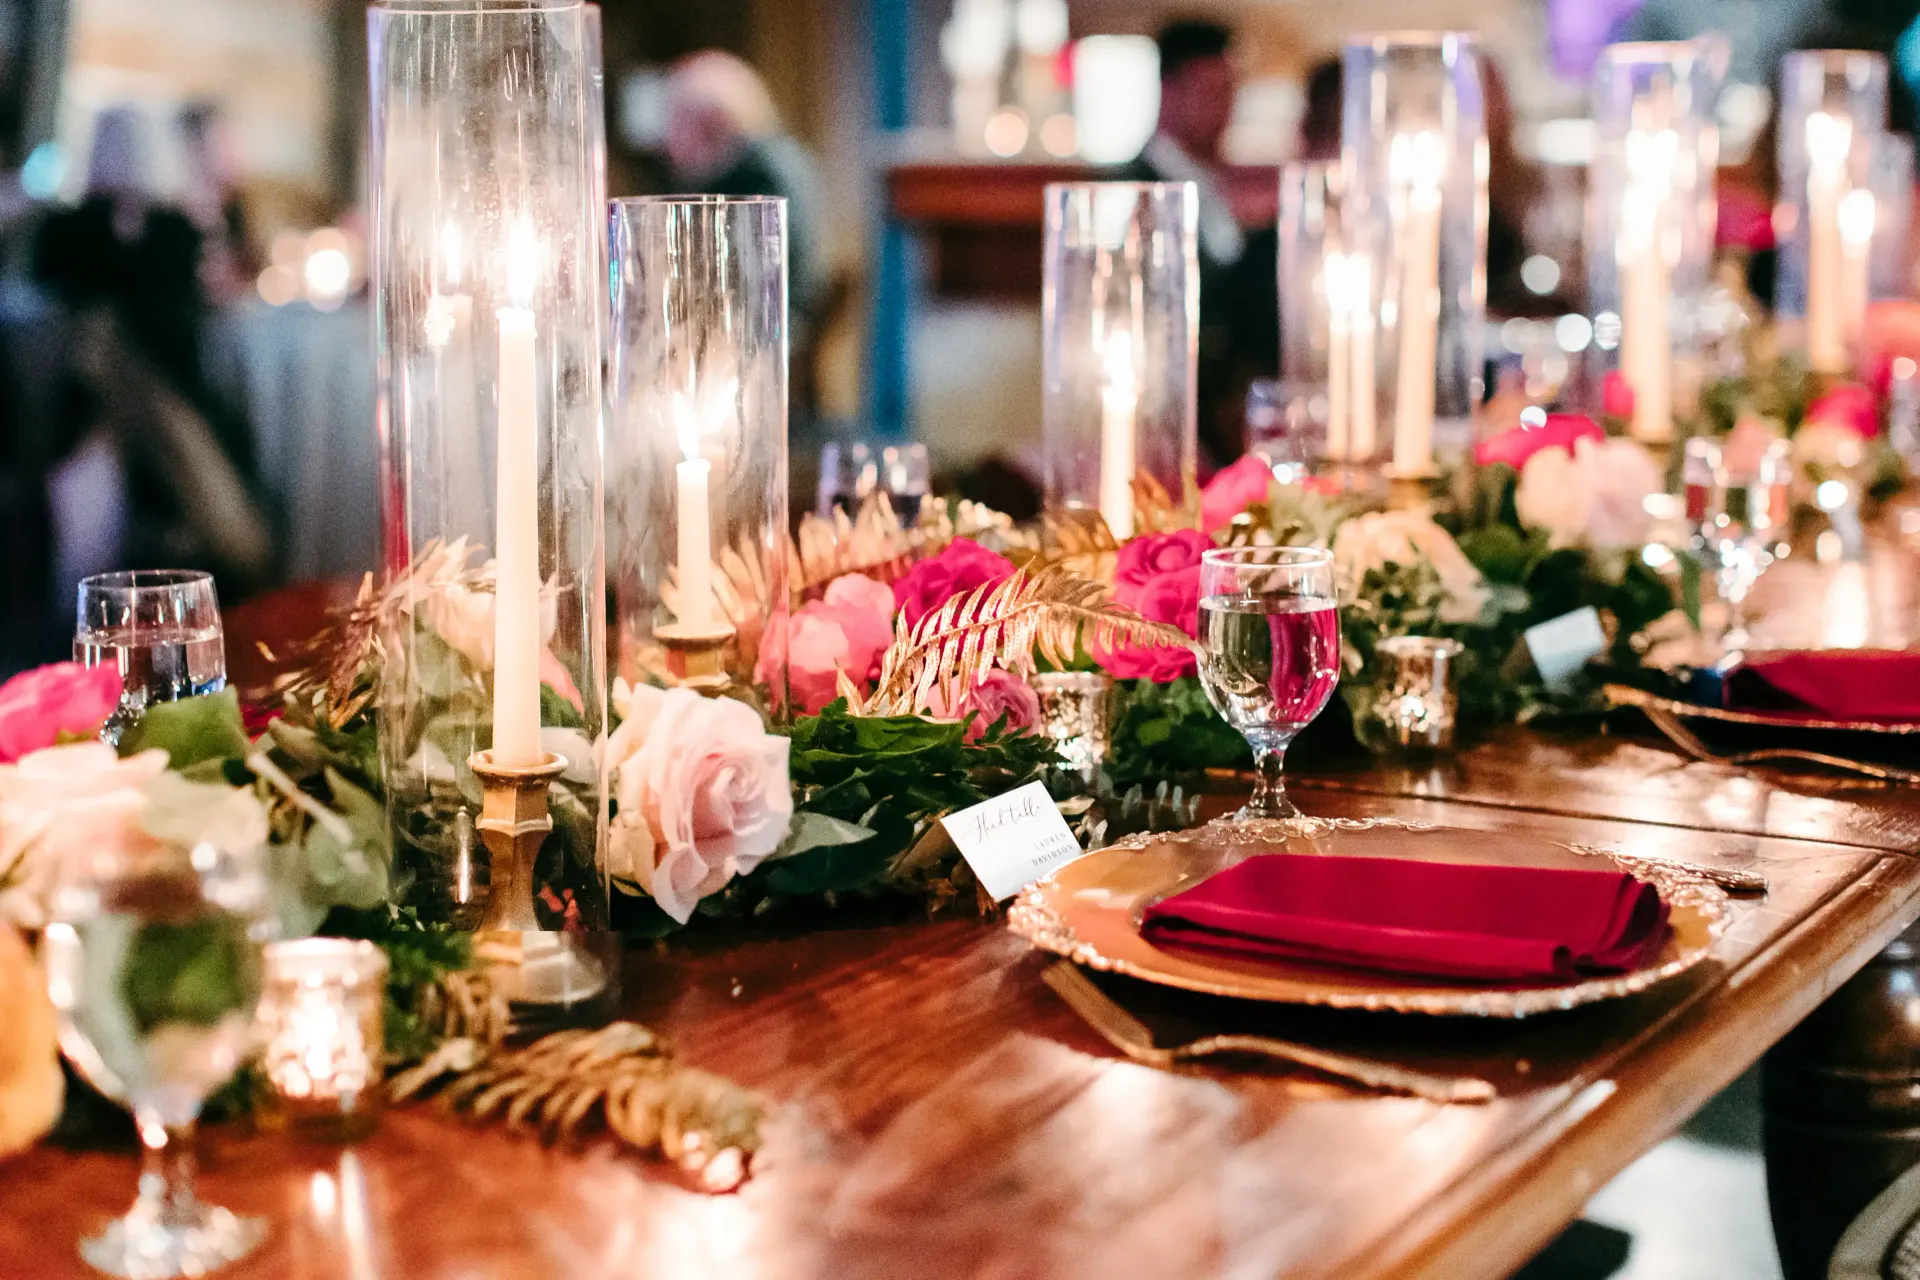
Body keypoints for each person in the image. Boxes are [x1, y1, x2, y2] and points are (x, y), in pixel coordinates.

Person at [1119, 19, 1278, 469]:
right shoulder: (1135, 190)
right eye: (1211, 92)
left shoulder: (1219, 184)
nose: (1226, 109)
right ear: (1169, 92)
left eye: (1231, 92)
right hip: (1179, 422)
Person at [660, 51, 825, 345]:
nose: (668, 141)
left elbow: (731, 279)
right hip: (779, 318)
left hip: (770, 330)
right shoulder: (776, 157)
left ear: (711, 122)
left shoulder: (755, 177)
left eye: (676, 121)